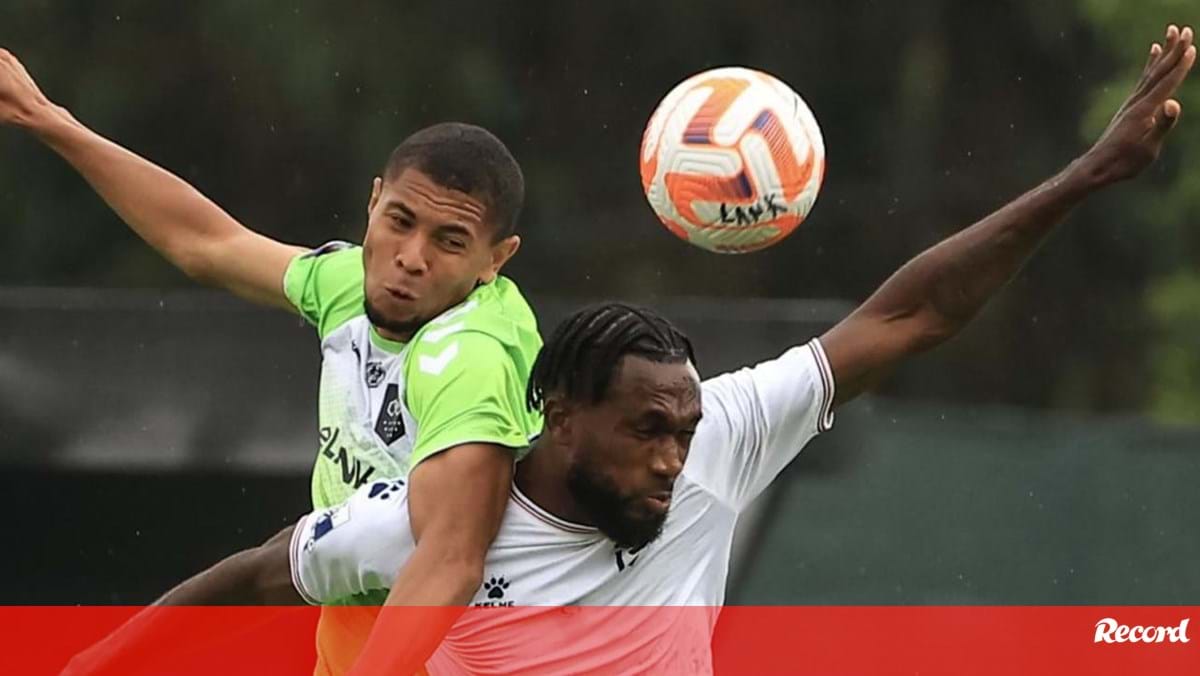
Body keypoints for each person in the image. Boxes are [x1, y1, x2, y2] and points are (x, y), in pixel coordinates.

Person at [62, 21, 1197, 676]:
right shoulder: (451, 504)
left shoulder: (715, 439)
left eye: (683, 429)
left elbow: (912, 312)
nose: (673, 456)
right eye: (648, 429)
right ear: (556, 416)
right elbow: (260, 569)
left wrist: (1089, 174)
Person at [0, 49, 544, 670]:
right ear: (374, 203)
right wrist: (48, 119)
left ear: (497, 259)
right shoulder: (351, 283)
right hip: (352, 623)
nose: (411, 257)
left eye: (450, 242)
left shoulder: (472, 356)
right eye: (400, 221)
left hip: (453, 645)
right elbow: (207, 242)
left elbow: (450, 562)